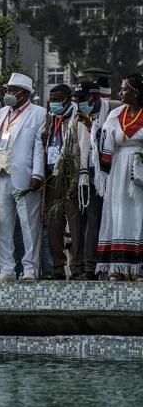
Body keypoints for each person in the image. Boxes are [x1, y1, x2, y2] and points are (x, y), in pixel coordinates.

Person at [0, 73, 46, 281]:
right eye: (7, 89)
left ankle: (30, 269)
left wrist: (37, 173)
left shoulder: (38, 113)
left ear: (24, 93)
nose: (8, 93)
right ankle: (7, 269)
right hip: (0, 174)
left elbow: (39, 146)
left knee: (29, 224)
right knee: (2, 225)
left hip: (25, 177)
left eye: (12, 90)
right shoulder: (3, 112)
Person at [95, 74, 143, 280]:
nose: (121, 93)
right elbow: (105, 140)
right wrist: (94, 131)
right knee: (117, 213)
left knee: (138, 214)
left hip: (139, 169)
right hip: (117, 170)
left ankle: (139, 268)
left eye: (125, 89)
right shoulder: (116, 114)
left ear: (137, 92)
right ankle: (117, 267)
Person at [72, 81, 110, 280]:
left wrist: (90, 125)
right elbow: (76, 148)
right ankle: (90, 267)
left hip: (110, 174)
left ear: (93, 98)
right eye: (77, 99)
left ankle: (111, 266)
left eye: (82, 99)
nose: (79, 103)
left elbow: (110, 139)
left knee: (111, 220)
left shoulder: (112, 111)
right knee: (92, 221)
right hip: (89, 176)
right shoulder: (78, 117)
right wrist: (77, 177)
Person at [44, 84, 81, 280]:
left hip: (70, 176)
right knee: (54, 225)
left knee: (75, 225)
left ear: (68, 99)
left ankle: (77, 268)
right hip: (52, 177)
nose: (53, 104)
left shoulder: (77, 119)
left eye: (57, 100)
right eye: (51, 100)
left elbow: (81, 151)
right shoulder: (50, 120)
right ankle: (58, 268)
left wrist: (75, 182)